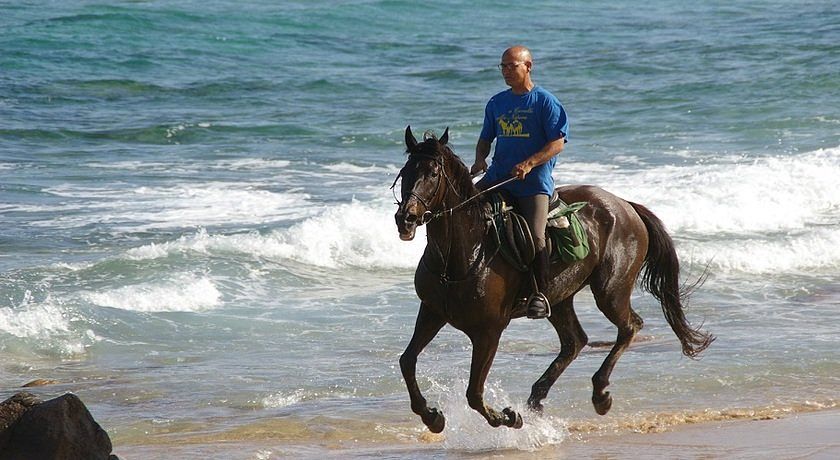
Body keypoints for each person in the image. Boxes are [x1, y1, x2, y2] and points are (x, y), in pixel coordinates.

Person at [471, 45, 569, 319]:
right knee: (462, 212)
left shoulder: (545, 102)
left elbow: (557, 143)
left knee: (536, 238)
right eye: (502, 66)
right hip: (497, 178)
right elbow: (485, 139)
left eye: (511, 65)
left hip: (533, 183)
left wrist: (529, 163)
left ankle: (540, 294)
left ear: (528, 66)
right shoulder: (496, 103)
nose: (505, 71)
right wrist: (480, 159)